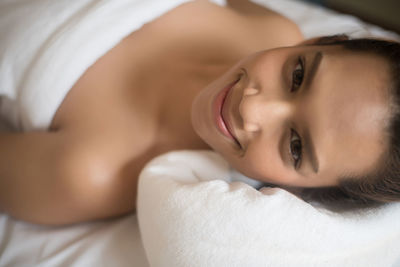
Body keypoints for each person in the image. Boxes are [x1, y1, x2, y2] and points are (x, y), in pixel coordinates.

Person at [0, 0, 399, 225]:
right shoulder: (274, 29)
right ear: (316, 41)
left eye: (295, 146)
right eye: (297, 75)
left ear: (297, 190)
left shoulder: (92, 173)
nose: (252, 107)